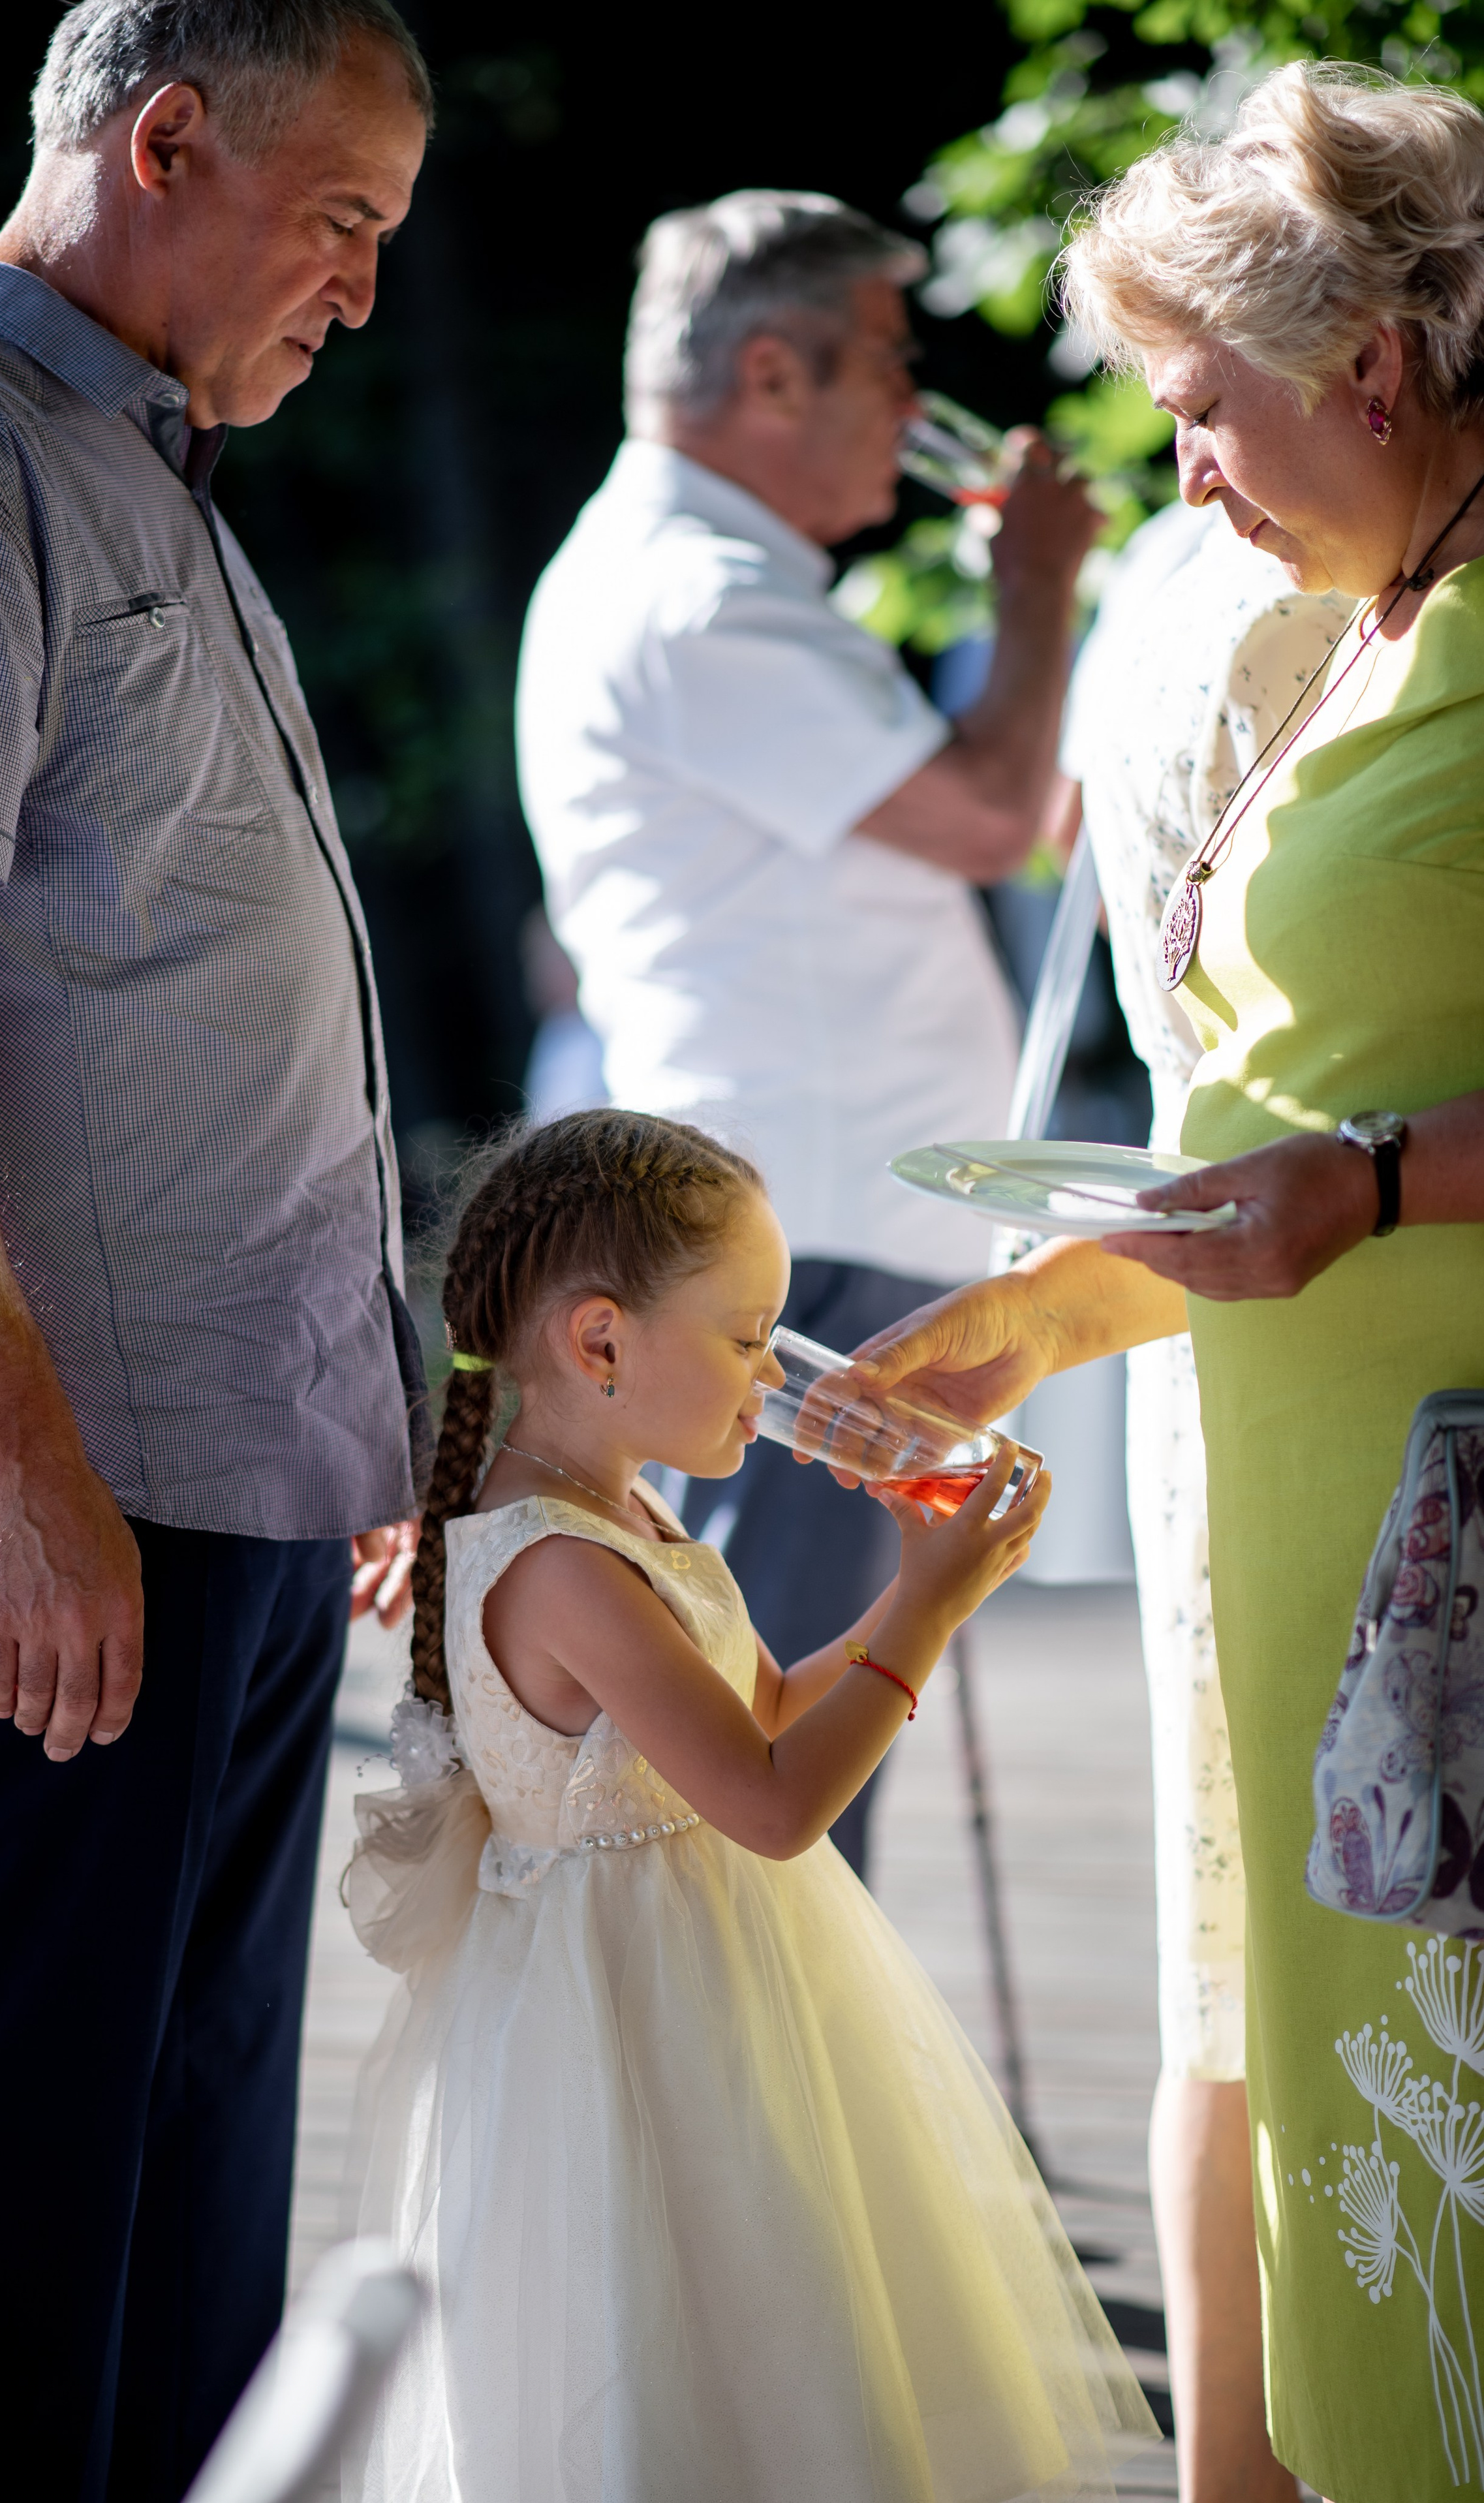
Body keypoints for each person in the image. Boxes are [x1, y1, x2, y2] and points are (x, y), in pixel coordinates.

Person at [846, 62, 1484, 2503]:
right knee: (1345, 2136)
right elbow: (1274, 1146)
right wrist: (1003, 1324)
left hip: (1452, 1530)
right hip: (1311, 1535)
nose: (1186, 480)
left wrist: (1386, 1183)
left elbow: (1353, 1158)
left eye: (1207, 413)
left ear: (1376, 364)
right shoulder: (1347, 609)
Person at [0, 3, 432, 2495]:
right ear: (165, 142)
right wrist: (21, 1464)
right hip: (77, 1506)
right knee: (2, 2208)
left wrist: (363, 1398)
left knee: (178, 2225)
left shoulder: (132, 456)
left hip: (232, 1481)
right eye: (346, 221)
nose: (363, 294)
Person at [341, 1107, 1154, 2502]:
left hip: (703, 1980)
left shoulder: (625, 1517)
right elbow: (775, 1805)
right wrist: (928, 1605)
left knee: (765, 2331)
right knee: (659, 2346)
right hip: (626, 2019)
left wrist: (924, 1584)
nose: (771, 1372)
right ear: (599, 1343)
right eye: (747, 1335)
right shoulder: (559, 1567)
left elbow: (766, 1712)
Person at [516, 191, 1098, 1878]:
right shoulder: (702, 599)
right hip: (804, 1256)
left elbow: (1010, 804)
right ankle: (766, 2133)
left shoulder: (706, 582)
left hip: (818, 1230)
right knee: (773, 1768)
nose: (917, 412)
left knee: (794, 1738)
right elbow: (998, 814)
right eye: (894, 365)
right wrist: (1042, 583)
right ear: (772, 371)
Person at [1058, 501, 1348, 2501]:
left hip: (1194, 1297)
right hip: (1329, 1288)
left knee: (1217, 1963)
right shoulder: (1334, 604)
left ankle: (1230, 2469)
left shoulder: (1149, 593)